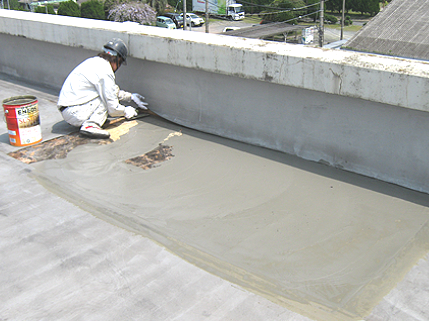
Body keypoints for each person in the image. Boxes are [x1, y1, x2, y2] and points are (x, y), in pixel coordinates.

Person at [57, 38, 148, 139]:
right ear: (118, 59)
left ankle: (81, 120)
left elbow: (111, 90)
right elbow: (112, 107)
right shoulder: (106, 71)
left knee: (104, 95)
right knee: (105, 101)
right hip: (76, 112)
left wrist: (130, 97)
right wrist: (125, 111)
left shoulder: (95, 62)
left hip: (70, 110)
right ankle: (90, 125)